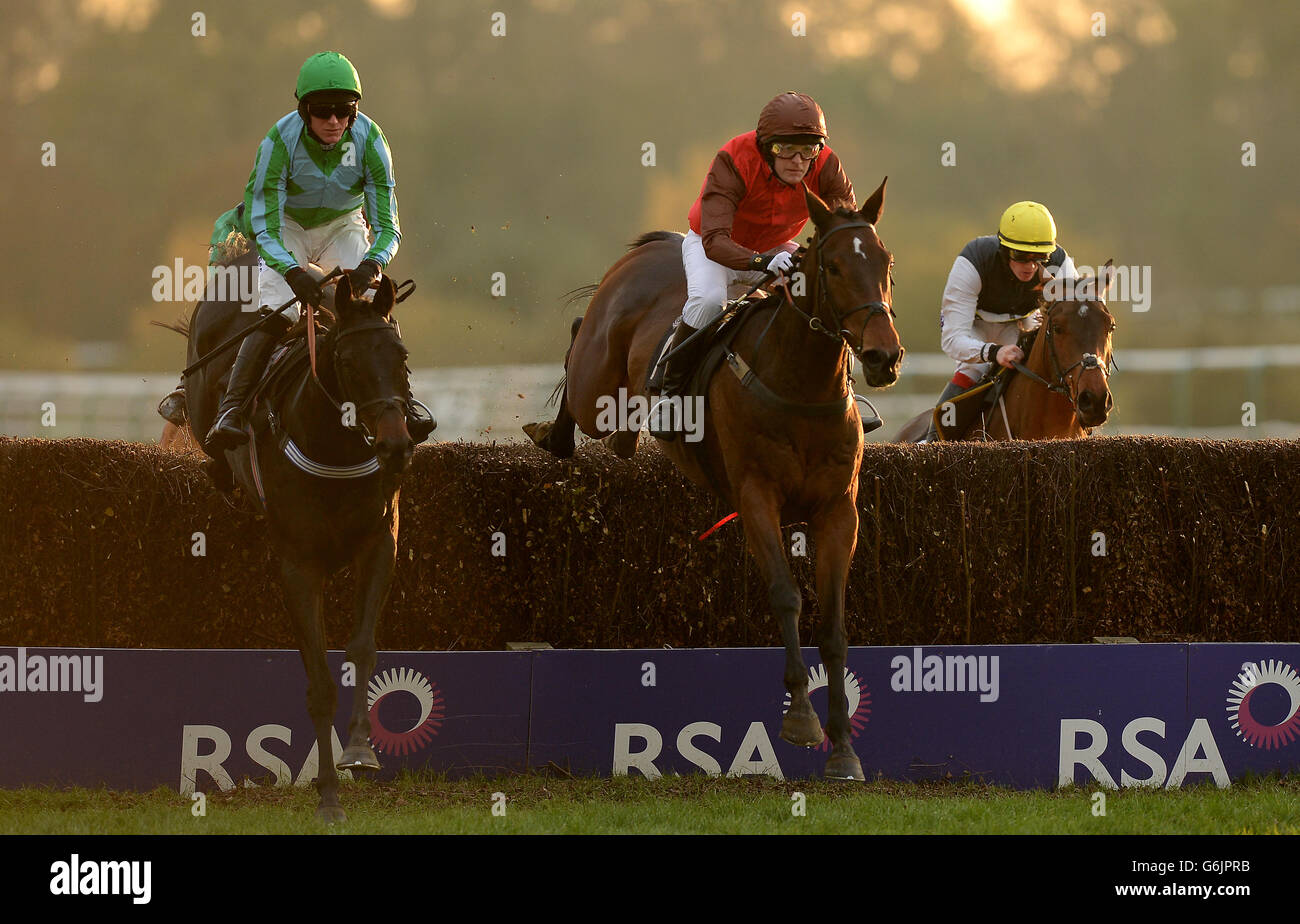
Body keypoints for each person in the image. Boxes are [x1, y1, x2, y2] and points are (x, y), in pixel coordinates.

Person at [205, 51, 433, 451]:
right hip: (286, 225)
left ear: (354, 112)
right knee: (281, 306)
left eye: (344, 112)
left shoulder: (372, 141)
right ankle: (233, 408)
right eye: (323, 112)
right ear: (304, 110)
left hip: (342, 224)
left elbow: (388, 226)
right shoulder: (278, 143)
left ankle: (406, 402)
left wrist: (373, 262)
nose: (334, 122)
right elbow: (264, 224)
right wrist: (292, 273)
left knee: (368, 305)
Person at [652, 91, 861, 439]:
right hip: (712, 245)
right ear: (766, 148)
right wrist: (762, 261)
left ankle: (847, 391)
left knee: (828, 292)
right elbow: (715, 240)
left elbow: (846, 228)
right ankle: (672, 397)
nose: (798, 161)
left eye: (808, 150)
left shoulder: (825, 164)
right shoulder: (734, 158)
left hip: (775, 248)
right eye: (785, 150)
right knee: (707, 301)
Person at [923, 200, 1077, 441]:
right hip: (977, 327)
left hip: (1025, 324)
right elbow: (952, 340)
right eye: (1021, 256)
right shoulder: (974, 260)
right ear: (1005, 250)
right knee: (974, 368)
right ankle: (933, 444)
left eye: (1040, 257)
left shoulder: (1061, 263)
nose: (1031, 266)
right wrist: (994, 353)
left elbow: (1077, 317)